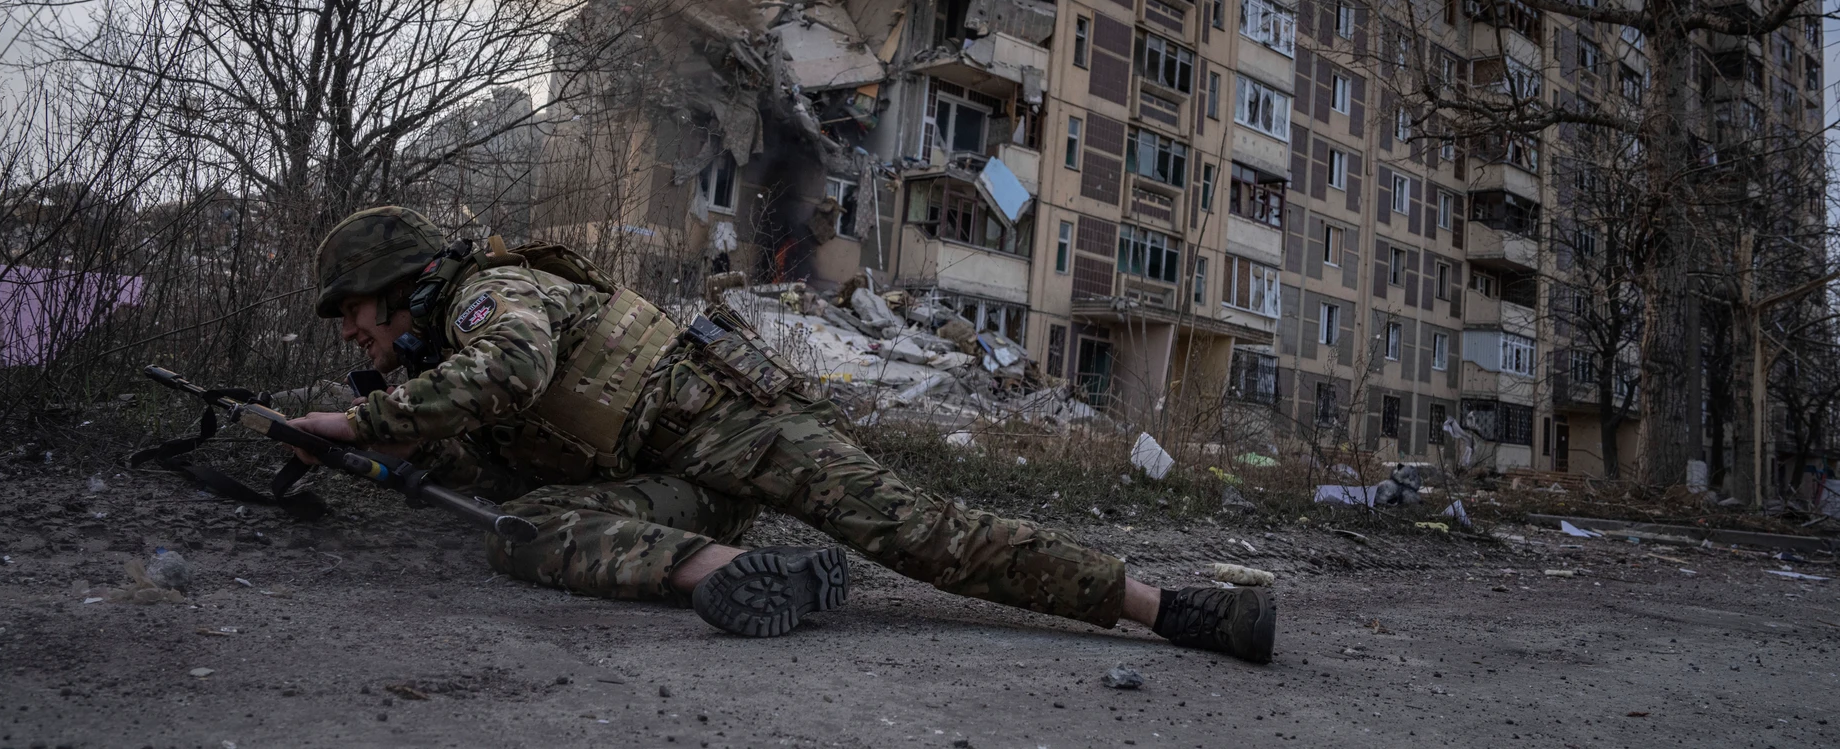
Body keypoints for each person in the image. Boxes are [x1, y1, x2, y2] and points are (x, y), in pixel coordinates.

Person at [289, 206, 1277, 661]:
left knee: (924, 535)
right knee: (523, 528)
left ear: (404, 283)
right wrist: (373, 444)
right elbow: (509, 446)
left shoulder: (487, 297)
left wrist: (359, 416)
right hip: (683, 488)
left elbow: (512, 367)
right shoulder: (445, 344)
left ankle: (1173, 609)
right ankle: (724, 572)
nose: (353, 332)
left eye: (355, 310)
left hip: (742, 432)